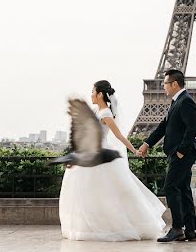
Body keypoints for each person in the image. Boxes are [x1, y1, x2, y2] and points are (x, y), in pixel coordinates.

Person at [59, 80, 167, 241]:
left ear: (100, 94)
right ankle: (94, 225)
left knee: (97, 193)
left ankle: (103, 225)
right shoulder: (97, 111)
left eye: (93, 91)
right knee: (94, 193)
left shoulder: (106, 114)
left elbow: (119, 135)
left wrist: (134, 150)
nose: (91, 94)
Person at [136, 69, 196, 243]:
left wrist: (181, 151)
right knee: (184, 190)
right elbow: (162, 127)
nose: (163, 87)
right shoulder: (176, 102)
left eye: (165, 83)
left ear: (174, 84)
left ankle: (178, 228)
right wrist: (147, 143)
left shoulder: (185, 101)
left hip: (181, 154)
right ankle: (190, 230)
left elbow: (192, 128)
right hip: (179, 153)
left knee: (170, 187)